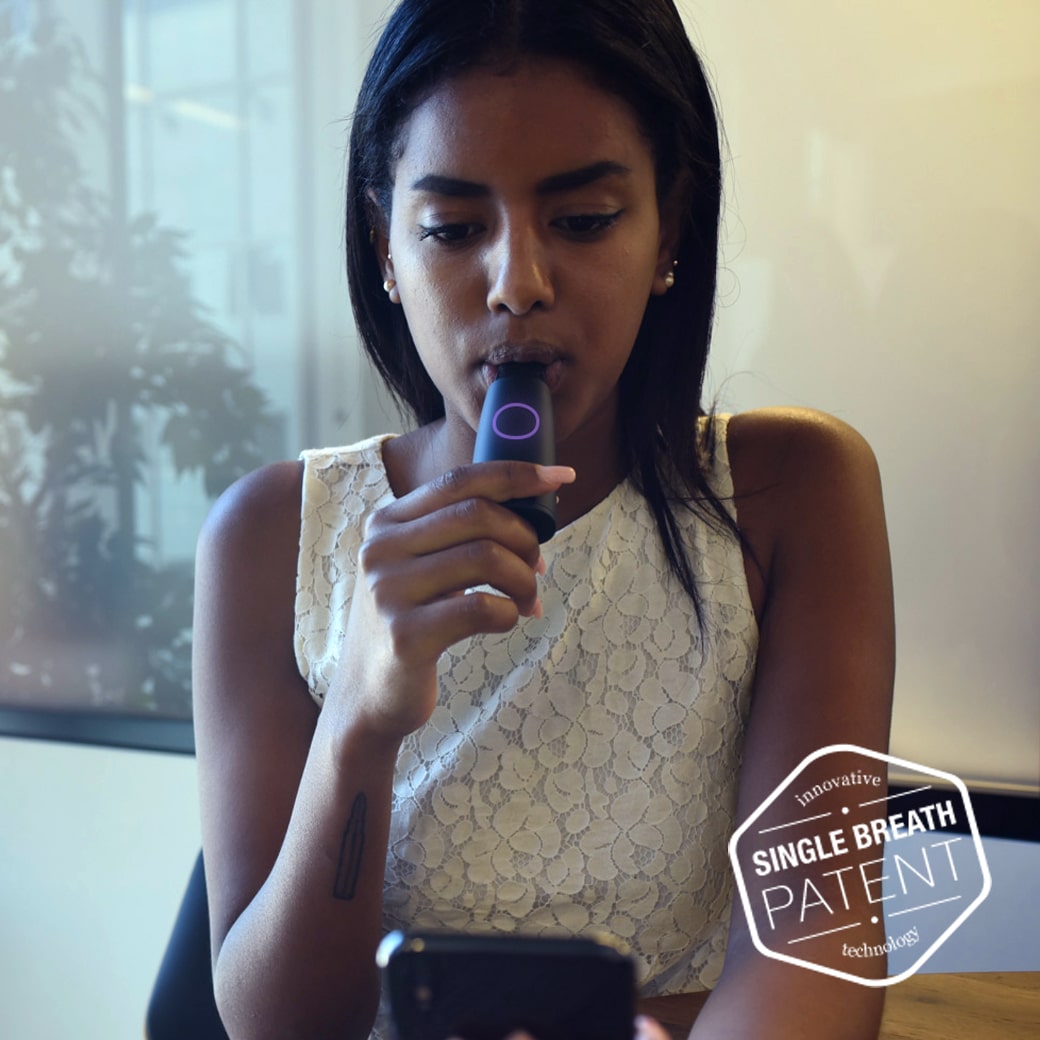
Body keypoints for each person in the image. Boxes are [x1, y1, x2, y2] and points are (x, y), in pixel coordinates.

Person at [191, 1, 895, 1038]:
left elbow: (815, 959)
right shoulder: (269, 535)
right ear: (385, 247)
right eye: (452, 229)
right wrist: (358, 720)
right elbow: (278, 1024)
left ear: (670, 228)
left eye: (584, 219)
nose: (517, 285)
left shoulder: (790, 493)